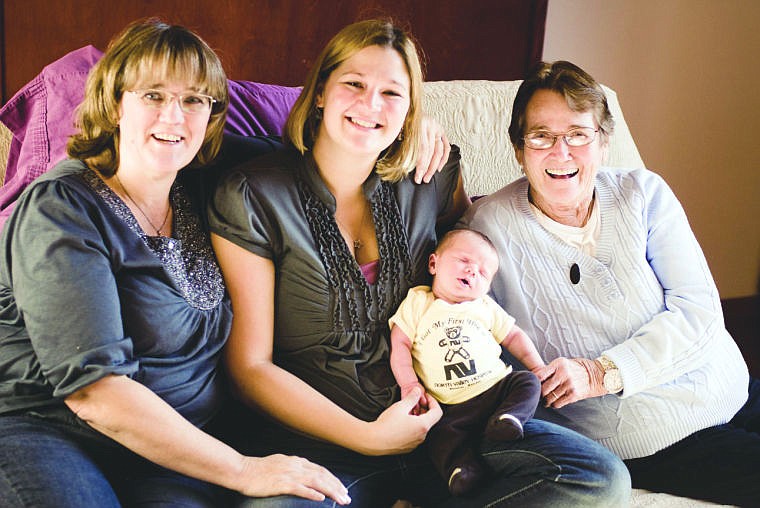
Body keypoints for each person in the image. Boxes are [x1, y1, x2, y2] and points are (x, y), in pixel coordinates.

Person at [209, 19, 630, 507]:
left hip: (453, 425)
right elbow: (249, 367)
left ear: (411, 109)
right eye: (354, 84)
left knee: (597, 478)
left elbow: (477, 242)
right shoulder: (253, 194)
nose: (371, 105)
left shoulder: (428, 177)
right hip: (325, 445)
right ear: (321, 90)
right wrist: (366, 437)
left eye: (393, 93)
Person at [0, 19, 352, 507]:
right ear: (114, 102)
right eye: (153, 95)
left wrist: (416, 133)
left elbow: (325, 157)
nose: (174, 117)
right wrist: (243, 470)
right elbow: (93, 392)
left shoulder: (207, 178)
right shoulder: (61, 206)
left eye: (193, 100)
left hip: (177, 452)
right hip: (50, 430)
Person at [460, 59, 760, 506]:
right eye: (541, 136)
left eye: (578, 134)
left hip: (728, 386)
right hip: (649, 435)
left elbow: (698, 309)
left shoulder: (644, 193)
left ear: (603, 142)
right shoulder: (488, 230)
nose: (561, 153)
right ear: (518, 149)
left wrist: (604, 371)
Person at [389, 228, 544, 496]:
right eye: (464, 261)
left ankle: (510, 418)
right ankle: (460, 471)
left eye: (483, 273)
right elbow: (400, 344)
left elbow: (514, 336)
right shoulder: (418, 302)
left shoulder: (483, 305)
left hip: (497, 390)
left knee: (528, 382)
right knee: (439, 436)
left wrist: (537, 366)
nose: (473, 271)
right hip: (451, 407)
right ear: (434, 263)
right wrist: (409, 385)